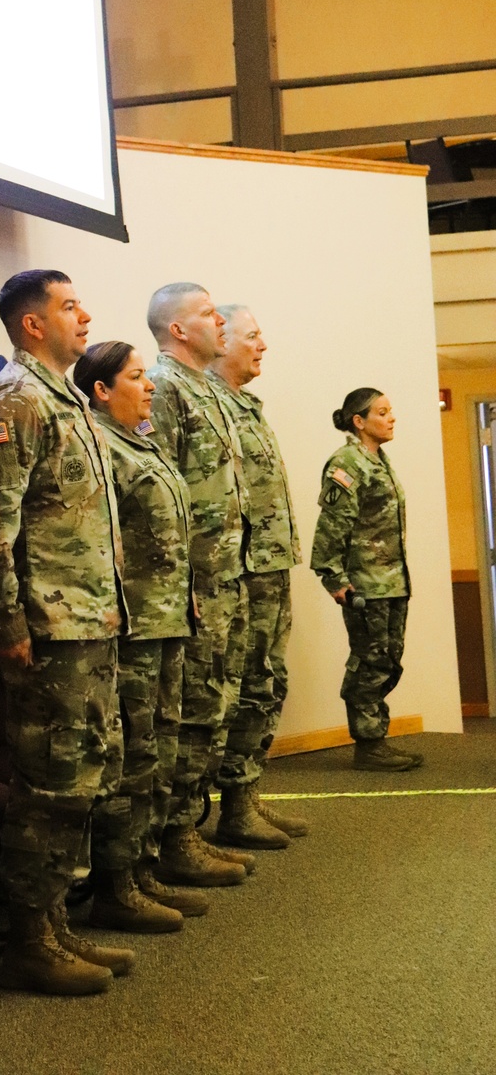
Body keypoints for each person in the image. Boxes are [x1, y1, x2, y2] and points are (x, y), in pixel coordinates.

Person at [0, 269, 143, 997]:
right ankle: (28, 941)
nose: (85, 315)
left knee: (83, 779)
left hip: (89, 621)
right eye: (69, 306)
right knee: (48, 785)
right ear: (32, 324)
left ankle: (56, 924)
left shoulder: (65, 400)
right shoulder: (17, 400)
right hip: (48, 629)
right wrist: (4, 621)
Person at [73, 341, 209, 926]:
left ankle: (145, 868)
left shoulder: (143, 443)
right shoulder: (100, 448)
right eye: (135, 377)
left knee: (158, 749)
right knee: (128, 755)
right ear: (102, 390)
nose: (149, 384)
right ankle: (115, 884)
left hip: (165, 619)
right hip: (130, 627)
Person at [144, 281, 252, 888]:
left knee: (215, 708)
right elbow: (162, 494)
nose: (221, 322)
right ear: (179, 329)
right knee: (188, 714)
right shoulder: (164, 391)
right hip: (192, 587)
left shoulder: (208, 391)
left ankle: (190, 828)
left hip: (226, 576)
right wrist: (182, 583)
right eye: (209, 313)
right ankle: (176, 837)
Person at [208, 306, 309, 848]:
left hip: (269, 564)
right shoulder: (203, 405)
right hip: (238, 572)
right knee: (239, 688)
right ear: (220, 340)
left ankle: (245, 796)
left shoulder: (244, 405)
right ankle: (231, 809)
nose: (263, 344)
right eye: (252, 336)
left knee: (267, 682)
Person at [311, 387, 422, 772]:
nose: (391, 418)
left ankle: (376, 737)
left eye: (391, 411)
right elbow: (332, 525)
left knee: (389, 660)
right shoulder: (347, 463)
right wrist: (334, 577)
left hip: (393, 581)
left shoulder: (379, 460)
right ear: (359, 421)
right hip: (365, 584)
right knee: (369, 660)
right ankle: (369, 743)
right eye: (382, 412)